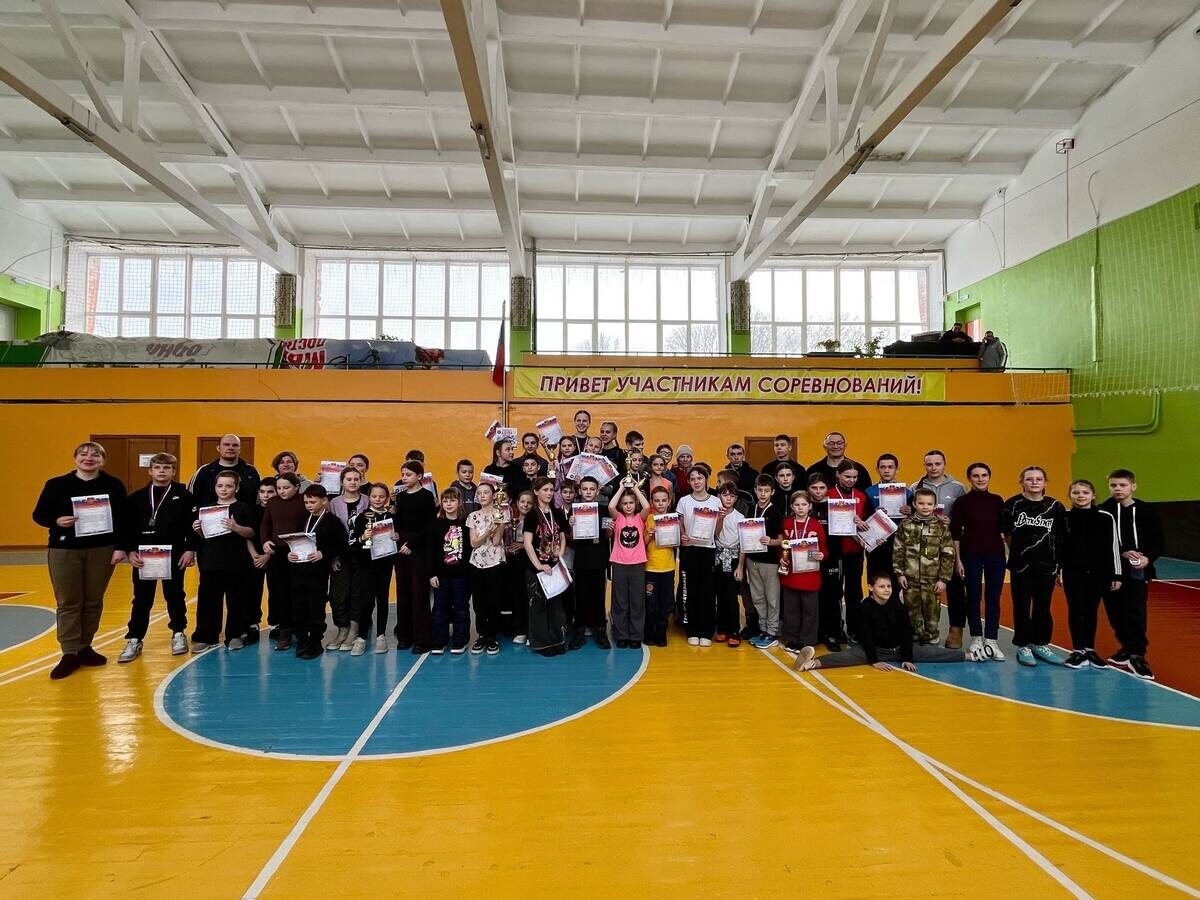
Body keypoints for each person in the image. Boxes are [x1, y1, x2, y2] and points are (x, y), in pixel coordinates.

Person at [33, 441, 130, 679]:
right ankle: (69, 652)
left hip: (102, 550)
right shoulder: (56, 484)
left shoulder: (113, 485)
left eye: (95, 454)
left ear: (102, 460)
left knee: (93, 600)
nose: (89, 458)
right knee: (68, 601)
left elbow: (124, 519)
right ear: (75, 458)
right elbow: (39, 514)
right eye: (84, 454)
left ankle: (85, 646)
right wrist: (56, 521)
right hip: (65, 550)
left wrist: (121, 548)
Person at [118, 452, 197, 663]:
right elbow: (127, 528)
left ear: (173, 471)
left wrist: (190, 549)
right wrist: (130, 551)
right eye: (157, 467)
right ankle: (135, 638)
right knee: (142, 598)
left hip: (174, 553)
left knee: (175, 594)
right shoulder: (136, 497)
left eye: (166, 468)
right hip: (144, 555)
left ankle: (178, 632)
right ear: (150, 471)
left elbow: (193, 525)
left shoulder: (185, 496)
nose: (162, 471)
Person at [796, 573, 966, 671]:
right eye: (882, 587)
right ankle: (812, 663)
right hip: (876, 651)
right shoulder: (865, 607)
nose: (886, 590)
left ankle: (970, 656)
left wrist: (907, 657)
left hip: (898, 650)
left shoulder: (897, 605)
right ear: (871, 588)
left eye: (889, 587)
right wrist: (874, 660)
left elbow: (906, 631)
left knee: (933, 654)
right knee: (846, 657)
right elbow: (866, 635)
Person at [1099, 469, 1162, 680]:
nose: (1118, 489)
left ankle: (1137, 655)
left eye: (1122, 485)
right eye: (1113, 485)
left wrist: (1147, 558)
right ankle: (1126, 648)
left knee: (1135, 610)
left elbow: (1158, 541)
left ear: (1133, 486)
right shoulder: (1104, 510)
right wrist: (1121, 552)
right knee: (1114, 611)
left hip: (1137, 570)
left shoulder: (1147, 510)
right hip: (1111, 570)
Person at [1002, 466, 1067, 667]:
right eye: (1029, 479)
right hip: (1021, 565)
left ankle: (1040, 643)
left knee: (1043, 606)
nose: (1034, 482)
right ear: (1021, 482)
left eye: (1039, 479)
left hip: (1047, 565)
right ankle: (1023, 645)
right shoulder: (1012, 504)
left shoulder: (1055, 506)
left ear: (1045, 482)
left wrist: (1059, 566)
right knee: (1021, 605)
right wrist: (1018, 552)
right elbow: (1007, 533)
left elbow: (1061, 537)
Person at [190, 470, 256, 652]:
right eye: (220, 486)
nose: (224, 489)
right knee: (208, 601)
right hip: (210, 561)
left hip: (236, 562)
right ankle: (206, 636)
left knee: (236, 600)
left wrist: (236, 527)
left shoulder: (243, 508)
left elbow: (251, 532)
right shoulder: (207, 509)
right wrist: (198, 530)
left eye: (228, 486)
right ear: (215, 487)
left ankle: (235, 634)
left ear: (236, 488)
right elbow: (205, 536)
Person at [1062, 479, 1121, 670]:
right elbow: (1059, 546)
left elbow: (1113, 546)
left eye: (1085, 492)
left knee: (1091, 610)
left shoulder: (1105, 517)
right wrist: (1059, 571)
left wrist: (1116, 574)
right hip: (1072, 572)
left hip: (1098, 573)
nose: (1081, 496)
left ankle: (1090, 649)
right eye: (1076, 492)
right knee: (1075, 609)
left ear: (1093, 495)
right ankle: (1078, 650)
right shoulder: (1064, 517)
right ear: (1070, 495)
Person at [950, 462, 1007, 662]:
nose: (980, 479)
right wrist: (958, 561)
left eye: (984, 475)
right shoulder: (962, 502)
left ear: (989, 477)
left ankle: (991, 639)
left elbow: (1005, 530)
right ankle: (976, 637)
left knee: (993, 598)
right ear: (969, 478)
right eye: (976, 476)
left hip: (996, 556)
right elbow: (955, 534)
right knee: (973, 597)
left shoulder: (997, 500)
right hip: (970, 556)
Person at [283, 484, 347, 660]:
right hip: (298, 570)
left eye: (312, 502)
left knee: (315, 607)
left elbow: (342, 544)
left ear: (324, 501)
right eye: (306, 502)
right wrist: (290, 554)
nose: (309, 505)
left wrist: (324, 553)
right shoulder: (302, 518)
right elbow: (293, 541)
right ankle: (302, 640)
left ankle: (315, 641)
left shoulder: (332, 521)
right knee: (298, 606)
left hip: (317, 572)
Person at [914, 450, 967, 649]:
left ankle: (956, 630)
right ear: (924, 465)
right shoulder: (916, 486)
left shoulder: (958, 487)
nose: (933, 467)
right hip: (924, 546)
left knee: (955, 588)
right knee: (924, 588)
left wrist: (951, 521)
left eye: (937, 463)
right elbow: (911, 515)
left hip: (950, 543)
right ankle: (925, 630)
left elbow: (964, 516)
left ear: (944, 464)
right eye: (929, 464)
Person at [894, 487, 956, 645]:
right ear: (914, 504)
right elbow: (898, 550)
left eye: (929, 504)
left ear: (935, 506)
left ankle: (931, 637)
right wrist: (899, 573)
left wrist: (943, 579)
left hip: (932, 580)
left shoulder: (941, 526)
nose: (925, 507)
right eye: (921, 503)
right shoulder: (905, 524)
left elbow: (948, 554)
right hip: (910, 578)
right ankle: (915, 636)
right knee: (911, 610)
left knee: (932, 611)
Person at [392, 459, 437, 654]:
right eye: (403, 475)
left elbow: (429, 526)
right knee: (403, 592)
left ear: (419, 476)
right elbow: (398, 523)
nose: (404, 478)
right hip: (402, 548)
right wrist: (398, 536)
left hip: (419, 549)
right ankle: (405, 635)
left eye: (408, 475)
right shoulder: (400, 497)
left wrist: (412, 544)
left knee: (419, 593)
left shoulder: (426, 496)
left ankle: (422, 639)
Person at [346, 482, 395, 655]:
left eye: (381, 496)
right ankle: (361, 637)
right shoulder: (362, 517)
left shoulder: (391, 516)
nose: (378, 499)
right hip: (366, 565)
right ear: (369, 497)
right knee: (366, 601)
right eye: (374, 496)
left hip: (385, 564)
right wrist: (362, 537)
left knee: (382, 600)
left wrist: (396, 537)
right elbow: (353, 543)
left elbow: (397, 537)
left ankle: (381, 636)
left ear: (386, 498)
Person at [523, 478, 570, 656]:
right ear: (536, 492)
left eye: (551, 490)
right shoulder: (532, 515)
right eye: (545, 490)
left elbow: (563, 536)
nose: (549, 493)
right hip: (537, 569)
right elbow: (527, 543)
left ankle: (557, 639)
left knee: (556, 605)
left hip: (555, 567)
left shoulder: (557, 512)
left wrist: (560, 554)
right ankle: (542, 644)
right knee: (538, 606)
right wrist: (539, 565)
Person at [777, 490, 827, 656]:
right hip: (791, 574)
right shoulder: (786, 523)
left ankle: (807, 640)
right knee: (791, 609)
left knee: (809, 610)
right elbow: (783, 546)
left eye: (804, 504)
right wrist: (782, 558)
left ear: (810, 506)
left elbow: (824, 549)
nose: (800, 507)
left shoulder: (815, 525)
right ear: (792, 506)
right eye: (797, 504)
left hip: (810, 574)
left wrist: (822, 555)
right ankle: (791, 638)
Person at [326, 466, 369, 650]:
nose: (352, 482)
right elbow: (331, 531)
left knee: (358, 593)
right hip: (341, 554)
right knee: (338, 594)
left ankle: (354, 630)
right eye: (349, 479)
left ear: (361, 481)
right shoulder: (334, 503)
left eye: (356, 479)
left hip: (362, 554)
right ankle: (342, 629)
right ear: (342, 482)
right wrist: (333, 557)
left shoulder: (367, 500)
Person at [677, 466, 720, 646]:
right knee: (690, 591)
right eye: (693, 479)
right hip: (690, 551)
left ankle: (707, 631)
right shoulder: (684, 501)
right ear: (689, 482)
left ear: (706, 479)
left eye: (699, 478)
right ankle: (692, 629)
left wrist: (721, 519)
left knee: (707, 591)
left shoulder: (716, 501)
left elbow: (717, 531)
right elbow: (680, 524)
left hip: (708, 550)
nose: (696, 482)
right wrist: (683, 536)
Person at [261, 473, 306, 643]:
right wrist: (265, 541)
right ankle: (284, 628)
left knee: (298, 589)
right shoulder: (273, 502)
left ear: (297, 487)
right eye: (279, 488)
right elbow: (265, 524)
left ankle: (300, 627)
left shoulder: (303, 501)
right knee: (279, 591)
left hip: (298, 550)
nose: (282, 491)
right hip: (277, 552)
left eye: (286, 488)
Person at [568, 476, 611, 649]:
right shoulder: (574, 510)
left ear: (597, 490)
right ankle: (579, 631)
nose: (588, 492)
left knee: (599, 597)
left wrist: (610, 530)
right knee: (580, 596)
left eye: (592, 489)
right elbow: (571, 539)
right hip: (581, 560)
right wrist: (571, 525)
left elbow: (608, 535)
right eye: (585, 489)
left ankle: (601, 631)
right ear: (579, 490)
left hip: (599, 559)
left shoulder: (604, 510)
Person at [830, 461, 871, 642]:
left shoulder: (861, 496)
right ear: (838, 475)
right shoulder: (829, 495)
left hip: (856, 551)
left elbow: (869, 522)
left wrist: (863, 522)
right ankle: (835, 629)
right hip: (835, 552)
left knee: (854, 592)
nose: (851, 480)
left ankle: (854, 628)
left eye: (855, 477)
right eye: (847, 476)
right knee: (835, 592)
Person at [428, 489, 471, 655]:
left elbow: (470, 549)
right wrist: (432, 574)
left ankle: (460, 640)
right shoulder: (435, 524)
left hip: (462, 574)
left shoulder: (466, 523)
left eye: (452, 500)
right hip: (441, 575)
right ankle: (439, 640)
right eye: (445, 501)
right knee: (440, 608)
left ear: (459, 502)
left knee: (461, 608)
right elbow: (431, 551)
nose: (448, 504)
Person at [608, 479, 649, 649]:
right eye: (625, 503)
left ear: (635, 503)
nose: (628, 506)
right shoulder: (618, 518)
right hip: (619, 563)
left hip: (637, 564)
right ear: (621, 505)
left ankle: (636, 635)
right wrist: (620, 488)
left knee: (637, 600)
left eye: (631, 503)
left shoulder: (640, 518)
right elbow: (611, 506)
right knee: (620, 600)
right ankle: (621, 634)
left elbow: (647, 507)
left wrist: (635, 489)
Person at [466, 481, 506, 655]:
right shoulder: (472, 516)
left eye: (486, 492)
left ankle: (492, 637)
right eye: (479, 493)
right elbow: (474, 543)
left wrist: (498, 525)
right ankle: (481, 635)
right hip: (477, 563)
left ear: (494, 495)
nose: (482, 495)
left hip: (495, 562)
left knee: (494, 601)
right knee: (478, 602)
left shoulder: (500, 514)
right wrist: (486, 533)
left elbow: (496, 541)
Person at [807, 472, 845, 651]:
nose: (818, 491)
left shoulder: (836, 506)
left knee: (832, 596)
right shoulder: (804, 506)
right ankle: (815, 632)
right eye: (814, 488)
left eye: (821, 488)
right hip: (808, 559)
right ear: (808, 489)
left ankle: (833, 633)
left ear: (827, 489)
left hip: (832, 559)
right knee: (813, 597)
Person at [745, 474, 782, 649]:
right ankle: (763, 629)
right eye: (760, 490)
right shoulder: (751, 509)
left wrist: (771, 541)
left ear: (772, 492)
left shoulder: (775, 512)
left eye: (766, 491)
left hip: (770, 562)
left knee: (772, 597)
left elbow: (782, 539)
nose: (763, 494)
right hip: (752, 559)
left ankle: (772, 632)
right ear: (755, 490)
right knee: (758, 597)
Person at [864, 453, 911, 585]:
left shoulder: (907, 493)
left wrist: (910, 511)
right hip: (877, 543)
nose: (886, 470)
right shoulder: (869, 492)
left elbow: (915, 519)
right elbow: (863, 518)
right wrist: (874, 514)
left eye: (890, 467)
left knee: (896, 581)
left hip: (899, 543)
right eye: (883, 467)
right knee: (875, 580)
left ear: (897, 469)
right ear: (877, 469)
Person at [712, 482, 746, 646]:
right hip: (718, 557)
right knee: (719, 594)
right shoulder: (716, 513)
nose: (728, 499)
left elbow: (744, 544)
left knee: (731, 596)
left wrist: (740, 566)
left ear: (736, 498)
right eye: (725, 495)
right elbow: (716, 533)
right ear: (719, 496)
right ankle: (722, 628)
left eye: (732, 496)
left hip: (733, 559)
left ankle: (734, 630)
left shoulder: (740, 517)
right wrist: (720, 518)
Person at [643, 485, 676, 647]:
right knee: (651, 602)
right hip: (651, 567)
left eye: (664, 500)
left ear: (669, 501)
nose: (661, 503)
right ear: (652, 502)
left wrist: (676, 535)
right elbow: (642, 544)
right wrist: (650, 535)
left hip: (668, 567)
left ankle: (662, 631)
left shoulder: (673, 518)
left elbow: (676, 543)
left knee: (665, 601)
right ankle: (649, 631)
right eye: (657, 501)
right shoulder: (648, 518)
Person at [188, 433, 261, 506]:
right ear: (218, 448)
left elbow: (259, 498)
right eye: (226, 444)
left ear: (240, 449)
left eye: (235, 445)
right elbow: (190, 497)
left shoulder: (251, 471)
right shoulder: (204, 471)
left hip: (245, 513)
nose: (231, 448)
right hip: (209, 513)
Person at [501, 490, 535, 644]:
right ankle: (520, 630)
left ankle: (532, 631)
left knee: (531, 597)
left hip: (531, 562)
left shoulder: (536, 521)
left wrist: (522, 545)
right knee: (517, 596)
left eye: (529, 503)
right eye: (522, 502)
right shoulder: (511, 521)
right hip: (514, 564)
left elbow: (539, 541)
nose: (525, 505)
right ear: (516, 503)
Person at [808, 432, 872, 492]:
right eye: (831, 443)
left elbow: (866, 494)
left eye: (839, 443)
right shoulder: (813, 470)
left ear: (845, 445)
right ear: (825, 446)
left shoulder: (859, 469)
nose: (835, 446)